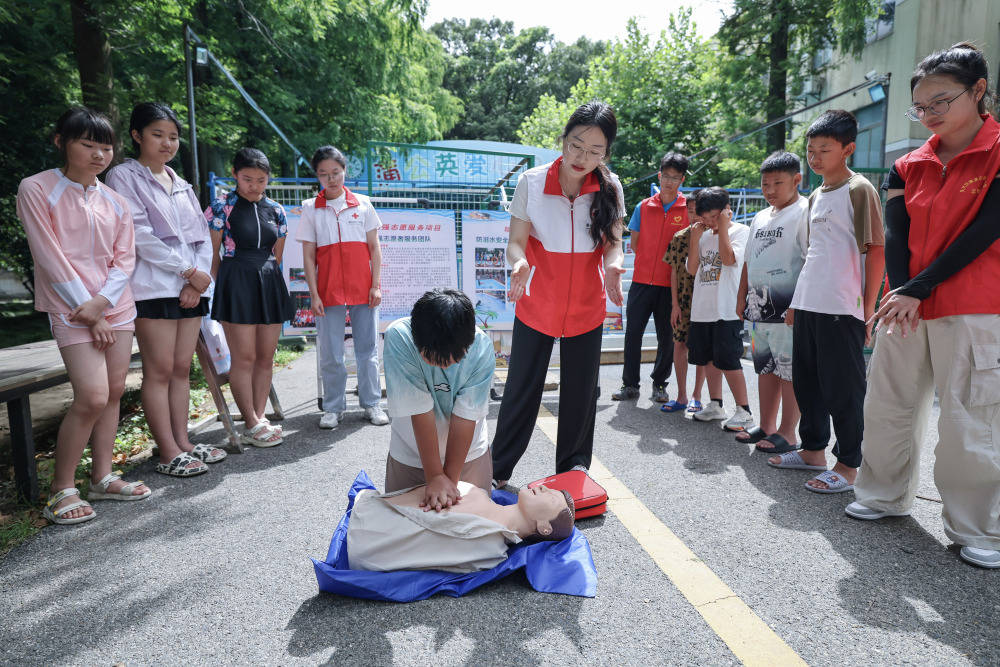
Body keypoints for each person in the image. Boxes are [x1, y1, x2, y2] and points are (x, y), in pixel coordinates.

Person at [847, 43, 1000, 569]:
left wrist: (918, 288)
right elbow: (896, 234)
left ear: (978, 91)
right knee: (888, 403)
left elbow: (985, 230)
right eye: (922, 106)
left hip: (976, 304)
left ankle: (979, 529)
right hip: (906, 303)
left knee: (971, 419)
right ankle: (882, 495)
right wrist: (906, 290)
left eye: (942, 100)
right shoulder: (907, 165)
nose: (930, 114)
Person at [17, 107, 150, 524]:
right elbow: (48, 255)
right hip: (69, 306)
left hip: (116, 307)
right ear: (62, 142)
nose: (97, 154)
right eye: (86, 144)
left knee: (112, 393)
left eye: (105, 147)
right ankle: (61, 489)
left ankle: (103, 477)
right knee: (91, 396)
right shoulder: (37, 188)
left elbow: (124, 259)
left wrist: (103, 305)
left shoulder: (115, 200)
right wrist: (88, 309)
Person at [490, 101, 626, 488]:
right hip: (537, 303)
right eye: (576, 146)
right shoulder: (531, 183)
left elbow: (613, 244)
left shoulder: (611, 187)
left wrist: (615, 264)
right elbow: (516, 242)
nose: (583, 158)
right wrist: (518, 263)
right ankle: (497, 472)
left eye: (595, 151)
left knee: (581, 394)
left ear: (606, 153)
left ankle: (573, 470)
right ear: (562, 140)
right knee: (521, 390)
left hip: (587, 306)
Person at [768, 110, 885, 494]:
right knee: (808, 383)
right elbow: (815, 254)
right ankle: (813, 451)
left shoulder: (859, 190)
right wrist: (796, 303)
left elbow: (876, 252)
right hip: (810, 305)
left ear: (847, 149)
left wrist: (867, 312)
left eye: (824, 150)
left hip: (842, 308)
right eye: (811, 150)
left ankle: (849, 465)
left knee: (843, 390)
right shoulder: (817, 194)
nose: (815, 157)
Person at [105, 102, 225, 477]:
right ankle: (167, 450)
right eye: (157, 134)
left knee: (179, 369)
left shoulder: (183, 183)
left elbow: (203, 239)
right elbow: (137, 233)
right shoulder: (123, 177)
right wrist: (187, 271)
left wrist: (197, 280)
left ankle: (184, 442)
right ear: (137, 135)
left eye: (172, 136)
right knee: (158, 371)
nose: (167, 143)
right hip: (152, 287)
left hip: (190, 287)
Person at [206, 148, 293, 447]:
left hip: (268, 280)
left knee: (265, 357)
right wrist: (221, 288)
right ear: (234, 175)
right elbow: (212, 255)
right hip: (236, 281)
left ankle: (259, 418)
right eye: (247, 179)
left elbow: (277, 254)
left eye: (261, 179)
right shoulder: (221, 208)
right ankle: (251, 420)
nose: (254, 185)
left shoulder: (278, 210)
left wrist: (266, 275)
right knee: (243, 357)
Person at [297, 145, 388, 430]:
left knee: (368, 349)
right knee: (331, 352)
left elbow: (374, 248)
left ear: (344, 171)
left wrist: (376, 286)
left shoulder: (363, 204)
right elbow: (309, 256)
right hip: (328, 290)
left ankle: (372, 403)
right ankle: (334, 408)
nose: (331, 179)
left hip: (364, 289)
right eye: (324, 174)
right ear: (317, 177)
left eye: (335, 172)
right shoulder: (311, 208)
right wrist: (314, 294)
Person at [383, 289, 496, 510]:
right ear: (417, 341)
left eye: (455, 358)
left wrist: (449, 482)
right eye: (434, 359)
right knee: (404, 532)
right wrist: (435, 475)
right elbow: (420, 410)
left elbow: (466, 417)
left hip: (468, 456)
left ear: (468, 342)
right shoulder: (400, 337)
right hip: (411, 454)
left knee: (472, 533)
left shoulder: (481, 348)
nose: (445, 365)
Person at [734, 152, 808, 453]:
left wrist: (799, 303)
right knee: (764, 367)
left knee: (788, 370)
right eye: (766, 184)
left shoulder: (804, 211)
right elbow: (749, 261)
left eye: (778, 183)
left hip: (788, 306)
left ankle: (788, 433)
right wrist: (741, 297)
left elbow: (810, 261)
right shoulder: (761, 216)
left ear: (796, 180)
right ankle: (766, 425)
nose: (771, 190)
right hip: (758, 308)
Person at [347, 481, 574, 572]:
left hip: (365, 539)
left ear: (545, 528)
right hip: (366, 525)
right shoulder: (475, 492)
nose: (543, 488)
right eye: (548, 488)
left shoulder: (492, 552)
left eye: (551, 498)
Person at [612, 152, 690, 403]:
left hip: (671, 285)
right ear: (659, 175)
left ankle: (659, 384)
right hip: (642, 281)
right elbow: (634, 242)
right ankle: (630, 384)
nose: (669, 181)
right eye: (665, 176)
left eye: (675, 177)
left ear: (682, 180)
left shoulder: (687, 209)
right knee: (633, 333)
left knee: (666, 336)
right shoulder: (644, 207)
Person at [685, 187, 754, 432]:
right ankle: (716, 404)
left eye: (715, 217)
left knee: (728, 360)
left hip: (726, 309)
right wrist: (695, 240)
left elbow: (728, 259)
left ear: (727, 211)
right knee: (707, 360)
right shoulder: (702, 235)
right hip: (702, 309)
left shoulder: (741, 231)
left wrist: (723, 227)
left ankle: (744, 410)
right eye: (705, 218)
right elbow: (692, 270)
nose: (709, 222)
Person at [660, 193, 707, 414]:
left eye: (698, 210)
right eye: (690, 210)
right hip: (684, 300)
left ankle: (697, 396)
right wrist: (675, 304)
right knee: (679, 345)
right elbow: (674, 273)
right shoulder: (679, 237)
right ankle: (681, 395)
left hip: (707, 300)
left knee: (702, 349)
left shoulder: (713, 236)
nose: (694, 215)